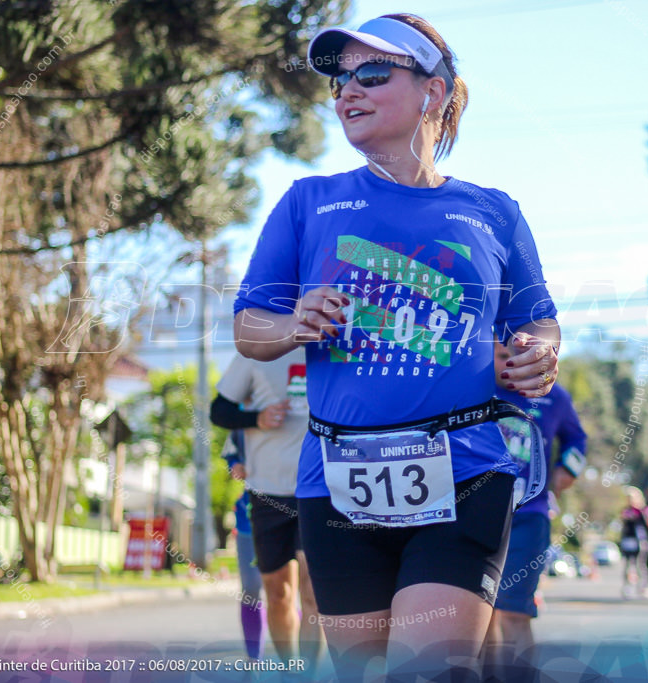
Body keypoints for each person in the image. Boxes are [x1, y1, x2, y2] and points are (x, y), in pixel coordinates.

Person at [232, 13, 560, 680]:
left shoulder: (494, 211)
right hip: (337, 482)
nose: (347, 91)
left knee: (432, 670)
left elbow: (540, 321)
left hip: (465, 469)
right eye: (338, 80)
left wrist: (537, 349)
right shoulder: (308, 202)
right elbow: (249, 328)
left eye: (371, 74)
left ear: (433, 92)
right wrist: (294, 321)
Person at [209, 351, 324, 673]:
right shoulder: (255, 355)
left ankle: (310, 676)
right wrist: (256, 418)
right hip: (266, 493)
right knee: (278, 592)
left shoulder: (328, 348)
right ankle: (291, 670)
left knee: (313, 592)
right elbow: (219, 411)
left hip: (318, 489)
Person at [485, 344, 586, 672]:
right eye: (501, 358)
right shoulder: (470, 386)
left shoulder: (554, 397)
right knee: (478, 614)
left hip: (529, 516)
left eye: (518, 360)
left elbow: (577, 439)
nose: (510, 367)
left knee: (514, 611)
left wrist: (567, 469)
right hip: (473, 515)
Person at [221, 430, 265, 660]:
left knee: (288, 590)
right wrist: (236, 466)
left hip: (295, 512)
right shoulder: (241, 418)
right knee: (251, 589)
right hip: (249, 518)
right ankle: (253, 657)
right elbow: (231, 456)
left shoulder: (299, 404)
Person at [617, 486, 648, 599]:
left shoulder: (643, 511)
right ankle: (627, 587)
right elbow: (622, 525)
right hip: (628, 540)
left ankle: (643, 587)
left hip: (640, 541)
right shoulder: (625, 510)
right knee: (627, 565)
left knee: (640, 565)